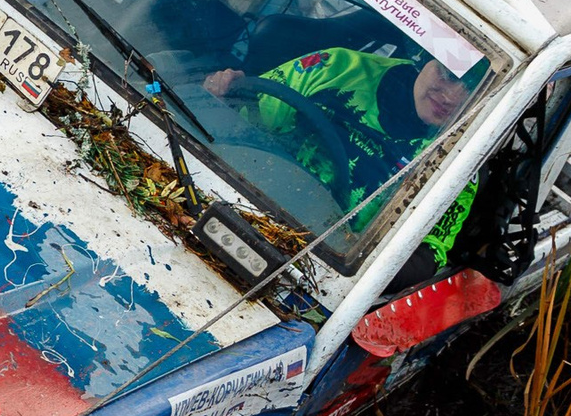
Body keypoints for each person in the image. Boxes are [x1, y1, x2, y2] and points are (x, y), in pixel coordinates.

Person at [202, 49, 480, 272]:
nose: (452, 95)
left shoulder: (458, 159)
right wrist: (222, 95)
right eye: (448, 74)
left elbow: (427, 251)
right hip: (225, 193)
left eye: (472, 87)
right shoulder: (335, 67)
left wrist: (363, 264)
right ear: (425, 55)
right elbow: (243, 124)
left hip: (307, 262)